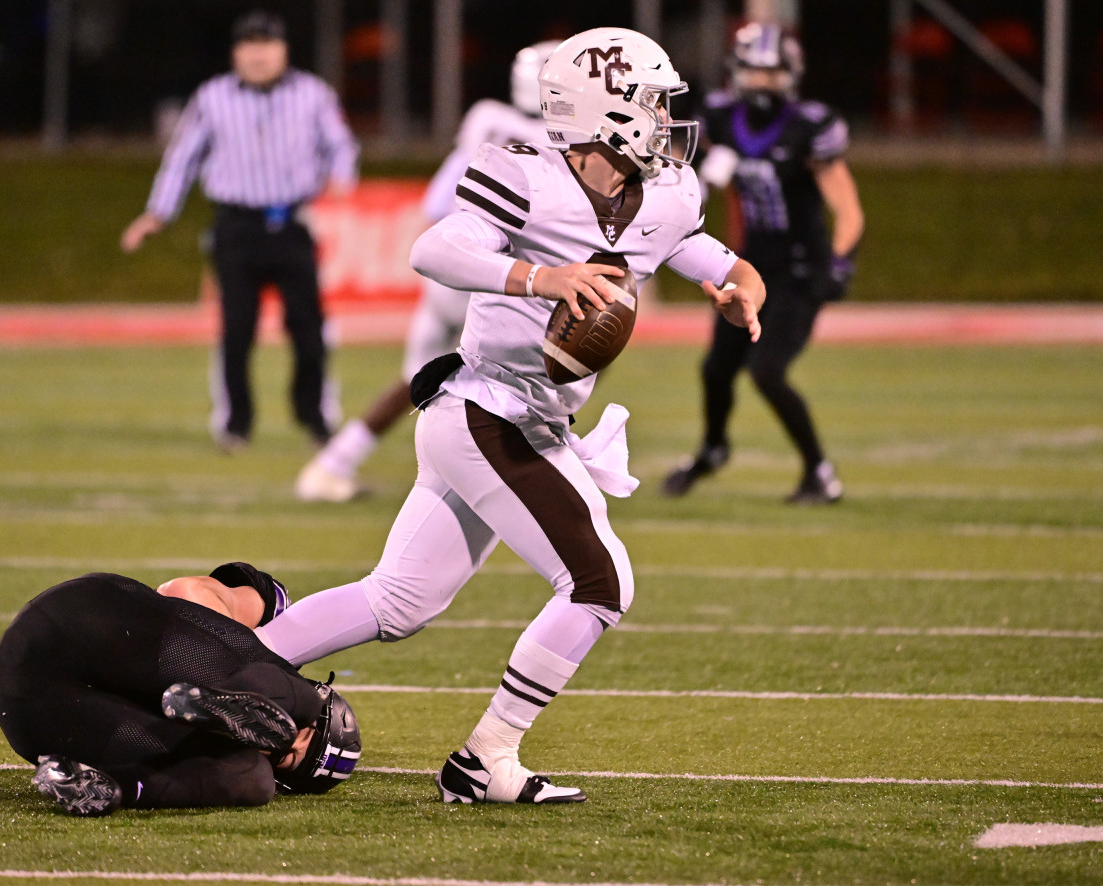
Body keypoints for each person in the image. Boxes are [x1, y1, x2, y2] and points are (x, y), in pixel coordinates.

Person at [256, 27, 764, 804]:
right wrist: (540, 277)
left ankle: (232, 660)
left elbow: (708, 255)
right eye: (654, 103)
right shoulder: (526, 177)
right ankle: (486, 757)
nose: (666, 119)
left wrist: (739, 288)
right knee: (600, 582)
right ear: (608, 111)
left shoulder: (663, 195)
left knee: (397, 602)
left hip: (524, 421)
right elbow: (435, 250)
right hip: (486, 409)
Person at [295, 41, 559, 503]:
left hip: (447, 269)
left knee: (417, 377)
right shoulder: (557, 142)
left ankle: (332, 465)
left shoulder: (486, 122)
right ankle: (531, 475)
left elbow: (437, 201)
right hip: (497, 279)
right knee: (543, 370)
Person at [121, 10, 359, 453]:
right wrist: (157, 213)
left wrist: (343, 175)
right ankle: (234, 424)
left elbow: (340, 143)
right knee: (236, 330)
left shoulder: (312, 94)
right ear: (235, 53)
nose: (258, 54)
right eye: (249, 45)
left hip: (292, 222)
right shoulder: (212, 97)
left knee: (309, 328)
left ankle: (317, 417)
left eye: (267, 44)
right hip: (235, 226)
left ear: (283, 50)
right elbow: (182, 158)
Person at [662, 22, 864, 504]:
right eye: (753, 71)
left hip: (800, 269)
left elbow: (848, 209)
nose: (760, 83)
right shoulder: (718, 116)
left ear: (790, 76)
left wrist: (840, 263)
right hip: (752, 267)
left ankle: (821, 472)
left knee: (767, 370)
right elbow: (669, 165)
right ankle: (712, 449)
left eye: (771, 73)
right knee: (715, 369)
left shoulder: (807, 125)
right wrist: (693, 171)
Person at [0, 561, 361, 816]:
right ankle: (232, 696)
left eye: (285, 755)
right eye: (301, 730)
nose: (284, 741)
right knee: (264, 673)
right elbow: (185, 591)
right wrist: (245, 666)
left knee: (254, 782)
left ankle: (112, 788)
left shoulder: (235, 761)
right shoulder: (268, 634)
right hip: (90, 624)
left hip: (31, 707)